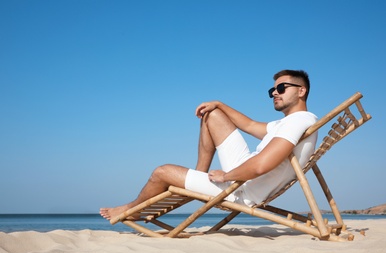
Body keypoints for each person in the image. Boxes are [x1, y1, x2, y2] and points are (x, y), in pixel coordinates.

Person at [100, 69, 318, 220]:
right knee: (211, 114)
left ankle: (131, 209)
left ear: (301, 91)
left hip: (241, 190)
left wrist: (226, 176)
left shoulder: (300, 121)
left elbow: (262, 165)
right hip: (244, 174)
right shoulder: (289, 122)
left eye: (281, 88)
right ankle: (198, 176)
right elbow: (250, 125)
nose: (275, 93)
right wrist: (219, 104)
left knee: (161, 172)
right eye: (273, 91)